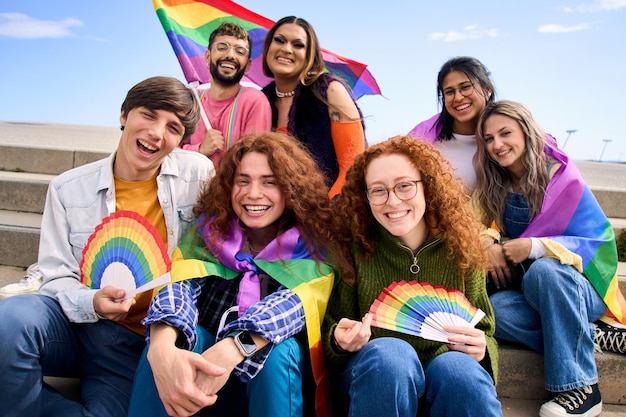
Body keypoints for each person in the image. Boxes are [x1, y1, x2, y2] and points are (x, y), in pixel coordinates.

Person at [0, 76, 215, 417]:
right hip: (74, 322)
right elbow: (55, 275)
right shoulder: (68, 188)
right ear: (123, 115)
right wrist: (93, 301)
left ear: (181, 141)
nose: (157, 133)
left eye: (173, 127)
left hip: (137, 342)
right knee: (11, 319)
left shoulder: (198, 175)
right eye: (148, 115)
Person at [127, 132, 337, 417]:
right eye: (243, 181)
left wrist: (235, 347)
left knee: (279, 351)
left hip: (265, 384)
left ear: (291, 189)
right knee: (172, 336)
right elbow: (178, 289)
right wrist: (162, 347)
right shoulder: (212, 234)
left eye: (269, 182)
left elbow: (288, 309)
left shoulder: (310, 248)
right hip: (202, 377)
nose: (253, 194)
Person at [323, 136, 501, 417]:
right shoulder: (351, 249)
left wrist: (481, 348)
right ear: (364, 196)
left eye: (404, 186)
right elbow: (331, 328)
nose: (392, 201)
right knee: (391, 355)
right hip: (376, 381)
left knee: (458, 369)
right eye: (378, 190)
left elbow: (486, 330)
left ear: (426, 186)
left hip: (445, 378)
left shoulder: (463, 247)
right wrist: (338, 340)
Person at [473, 100, 626, 417]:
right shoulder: (495, 183)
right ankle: (594, 335)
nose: (497, 145)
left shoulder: (562, 179)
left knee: (546, 271)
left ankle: (580, 388)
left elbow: (599, 241)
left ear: (526, 132)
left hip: (582, 287)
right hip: (532, 293)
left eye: (505, 133)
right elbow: (481, 224)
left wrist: (535, 247)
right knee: (491, 311)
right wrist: (489, 244)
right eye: (489, 139)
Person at [260, 16, 366, 198]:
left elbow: (353, 170)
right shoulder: (261, 100)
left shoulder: (330, 91)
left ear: (310, 54)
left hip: (328, 215)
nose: (286, 49)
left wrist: (325, 216)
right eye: (279, 40)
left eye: (298, 45)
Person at [180, 22, 271, 167]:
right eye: (222, 48)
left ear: (247, 65)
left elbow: (253, 162)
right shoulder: (190, 100)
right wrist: (199, 149)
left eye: (240, 51)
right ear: (208, 57)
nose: (230, 55)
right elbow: (166, 153)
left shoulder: (254, 101)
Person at [407, 56, 495, 192]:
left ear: (487, 90)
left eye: (465, 87)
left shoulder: (509, 137)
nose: (458, 97)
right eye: (449, 92)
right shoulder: (423, 142)